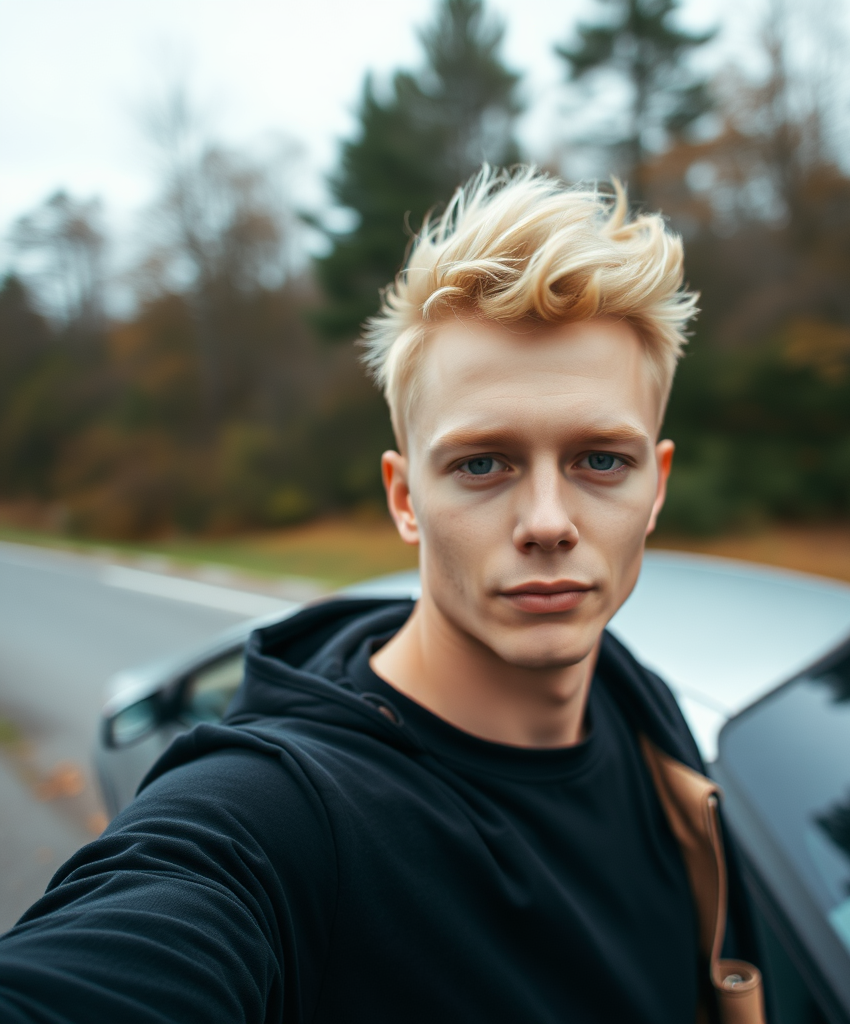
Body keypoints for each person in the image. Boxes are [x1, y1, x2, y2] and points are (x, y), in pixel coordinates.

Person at [0, 167, 763, 1023]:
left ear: (655, 487)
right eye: (483, 464)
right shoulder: (280, 816)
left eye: (601, 461)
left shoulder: (637, 706)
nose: (548, 522)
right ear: (405, 499)